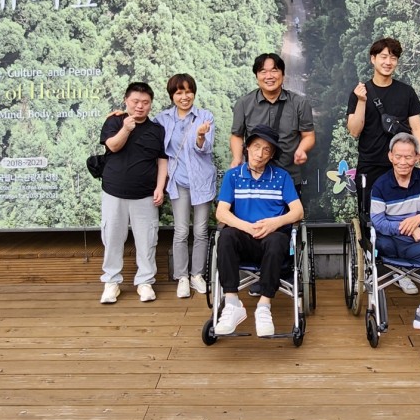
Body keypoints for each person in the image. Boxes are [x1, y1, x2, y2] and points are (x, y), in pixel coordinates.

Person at [347, 37, 420, 295]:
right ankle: (371, 270)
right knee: (373, 219)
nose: (388, 61)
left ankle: (401, 271)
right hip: (370, 166)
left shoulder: (406, 92)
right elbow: (354, 131)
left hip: (403, 167)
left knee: (403, 216)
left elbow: (416, 129)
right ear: (373, 59)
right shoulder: (360, 92)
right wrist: (361, 101)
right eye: (383, 56)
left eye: (393, 57)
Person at [213, 124, 304, 337]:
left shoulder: (281, 177)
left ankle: (264, 306)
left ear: (272, 154)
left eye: (266, 149)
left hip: (271, 239)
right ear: (247, 148)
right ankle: (232, 304)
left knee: (277, 240)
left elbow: (298, 211)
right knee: (226, 236)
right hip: (244, 237)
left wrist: (275, 223)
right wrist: (246, 226)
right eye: (256, 147)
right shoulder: (233, 176)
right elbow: (221, 213)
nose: (260, 153)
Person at [369, 133, 420, 331]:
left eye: (408, 157)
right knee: (383, 242)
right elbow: (378, 221)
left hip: (417, 244)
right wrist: (408, 228)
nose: (403, 162)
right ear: (390, 156)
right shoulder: (381, 185)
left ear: (417, 157)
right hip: (390, 242)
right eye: (398, 156)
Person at [98, 82, 167, 304]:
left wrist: (160, 187)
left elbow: (162, 160)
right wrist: (126, 129)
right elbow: (112, 146)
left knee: (147, 239)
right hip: (114, 191)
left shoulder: (157, 130)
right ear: (126, 101)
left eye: (145, 102)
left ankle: (145, 282)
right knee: (112, 237)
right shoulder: (114, 121)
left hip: (145, 194)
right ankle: (111, 282)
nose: (140, 106)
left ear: (151, 104)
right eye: (135, 101)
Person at [153, 74, 216, 299]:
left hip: (201, 181)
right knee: (181, 231)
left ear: (194, 93)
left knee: (200, 231)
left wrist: (200, 136)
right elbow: (142, 127)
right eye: (179, 92)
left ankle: (197, 275)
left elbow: (205, 148)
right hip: (177, 181)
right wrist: (120, 116)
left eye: (188, 91)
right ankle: (182, 277)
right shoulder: (162, 119)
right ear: (172, 95)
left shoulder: (205, 116)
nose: (184, 96)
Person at [230, 53, 315, 197]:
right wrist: (237, 158)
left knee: (292, 211)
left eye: (274, 70)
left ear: (283, 74)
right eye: (263, 71)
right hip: (254, 177)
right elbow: (237, 135)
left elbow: (308, 135)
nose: (269, 76)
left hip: (289, 176)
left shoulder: (299, 104)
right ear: (257, 76)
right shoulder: (244, 104)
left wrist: (302, 149)